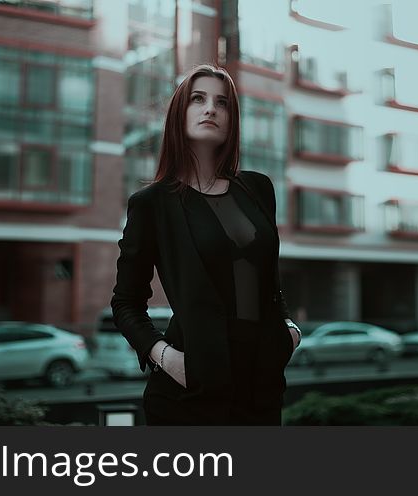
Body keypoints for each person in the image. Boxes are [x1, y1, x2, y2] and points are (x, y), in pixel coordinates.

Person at [110, 64, 301, 425]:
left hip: (261, 385)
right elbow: (125, 303)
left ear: (232, 119)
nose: (210, 108)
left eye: (222, 102)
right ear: (179, 113)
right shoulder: (152, 203)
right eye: (198, 99)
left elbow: (266, 277)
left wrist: (288, 329)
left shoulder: (258, 189)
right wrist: (166, 358)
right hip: (190, 389)